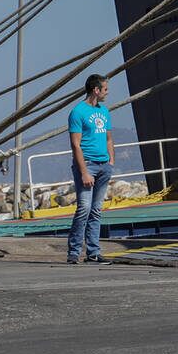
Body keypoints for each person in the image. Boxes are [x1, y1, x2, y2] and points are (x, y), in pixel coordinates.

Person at [66, 74, 114, 264]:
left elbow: (109, 138)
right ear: (96, 90)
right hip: (87, 166)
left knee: (96, 210)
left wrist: (111, 161)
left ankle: (93, 252)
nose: (107, 92)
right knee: (84, 209)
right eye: (105, 89)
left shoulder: (105, 111)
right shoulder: (77, 112)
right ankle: (74, 252)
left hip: (104, 166)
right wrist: (84, 171)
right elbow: (76, 145)